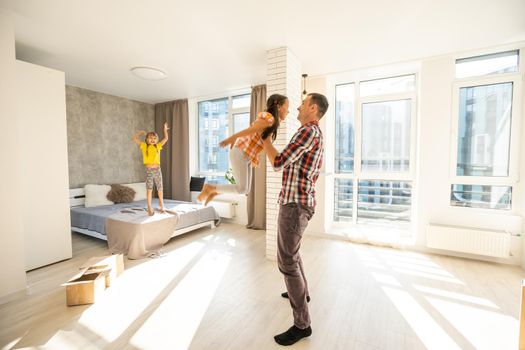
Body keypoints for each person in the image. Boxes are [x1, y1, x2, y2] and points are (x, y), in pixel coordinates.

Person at [262, 93, 328, 346]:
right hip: (299, 202)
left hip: (295, 205)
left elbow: (278, 162)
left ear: (313, 108)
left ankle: (302, 324)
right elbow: (291, 165)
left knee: (287, 261)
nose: (298, 107)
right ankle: (303, 293)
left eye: (302, 103)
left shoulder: (307, 132)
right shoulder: (312, 133)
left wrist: (265, 139)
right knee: (294, 255)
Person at [197, 94, 289, 205]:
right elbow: (252, 129)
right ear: (278, 106)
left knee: (245, 189)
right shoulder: (270, 119)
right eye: (287, 108)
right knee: (241, 188)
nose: (287, 112)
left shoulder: (272, 122)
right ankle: (210, 188)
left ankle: (214, 190)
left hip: (246, 155)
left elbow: (257, 139)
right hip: (240, 152)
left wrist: (255, 157)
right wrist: (233, 137)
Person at [133, 122, 169, 216]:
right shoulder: (144, 146)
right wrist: (141, 132)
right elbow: (134, 138)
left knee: (160, 188)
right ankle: (149, 206)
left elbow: (165, 139)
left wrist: (165, 130)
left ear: (156, 140)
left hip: (157, 169)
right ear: (147, 139)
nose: (152, 140)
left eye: (154, 138)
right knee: (149, 189)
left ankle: (162, 205)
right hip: (149, 170)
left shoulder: (158, 146)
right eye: (150, 138)